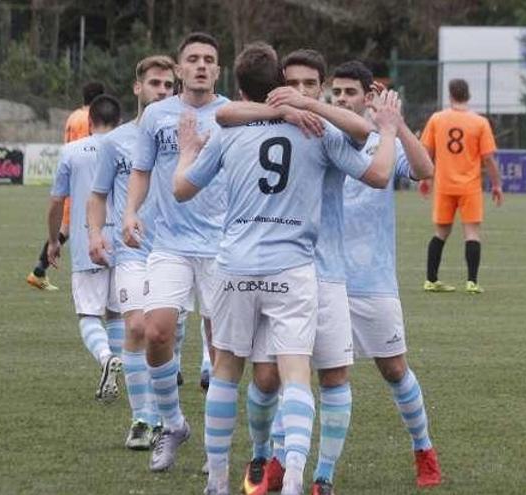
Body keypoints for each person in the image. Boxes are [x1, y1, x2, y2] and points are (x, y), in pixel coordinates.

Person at [172, 42, 398, 495]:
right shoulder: (316, 131)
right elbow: (376, 173)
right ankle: (293, 477)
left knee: (225, 373)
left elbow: (182, 189)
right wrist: (388, 131)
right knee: (296, 376)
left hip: (234, 266)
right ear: (278, 87)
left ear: (238, 87)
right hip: (294, 269)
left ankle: (217, 480)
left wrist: (186, 151)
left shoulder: (230, 132)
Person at [334, 61, 442, 490]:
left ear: (367, 96)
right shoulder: (319, 133)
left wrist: (397, 126)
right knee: (300, 370)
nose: (342, 99)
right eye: (336, 92)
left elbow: (424, 169)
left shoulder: (385, 141)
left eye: (349, 93)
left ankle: (424, 449)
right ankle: (280, 460)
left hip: (372, 279)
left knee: (395, 370)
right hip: (321, 277)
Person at [124, 32, 227, 473]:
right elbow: (142, 171)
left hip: (223, 244)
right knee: (156, 331)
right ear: (179, 69)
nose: (201, 65)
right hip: (168, 242)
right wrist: (129, 212)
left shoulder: (232, 115)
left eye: (209, 59)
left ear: (218, 70)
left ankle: (216, 445)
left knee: (221, 346)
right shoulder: (156, 116)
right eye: (193, 59)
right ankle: (173, 424)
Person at [87, 55, 181, 450]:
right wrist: (95, 233)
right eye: (154, 83)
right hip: (132, 250)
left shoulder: (184, 133)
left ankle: (167, 418)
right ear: (137, 87)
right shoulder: (114, 141)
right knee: (137, 328)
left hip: (178, 250)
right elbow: (98, 194)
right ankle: (142, 419)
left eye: (167, 85)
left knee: (167, 338)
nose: (161, 90)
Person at [46, 94, 124, 403]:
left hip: (84, 240)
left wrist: (53, 241)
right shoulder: (127, 148)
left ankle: (106, 359)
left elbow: (56, 202)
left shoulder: (71, 151)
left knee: (89, 315)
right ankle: (116, 371)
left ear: (89, 122)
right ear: (119, 122)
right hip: (122, 242)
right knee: (117, 314)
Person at [419, 78, 503, 294]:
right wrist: (496, 185)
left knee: (440, 233)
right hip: (469, 187)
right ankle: (471, 282)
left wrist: (424, 178)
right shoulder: (479, 123)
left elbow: (425, 151)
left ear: (450, 95)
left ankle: (431, 279)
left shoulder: (437, 119)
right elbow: (489, 159)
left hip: (444, 185)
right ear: (468, 95)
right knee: (472, 233)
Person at [27, 81, 106, 291]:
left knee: (68, 227)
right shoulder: (91, 120)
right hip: (84, 180)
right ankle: (39, 270)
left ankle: (39, 271)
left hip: (72, 177)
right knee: (75, 226)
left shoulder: (73, 116)